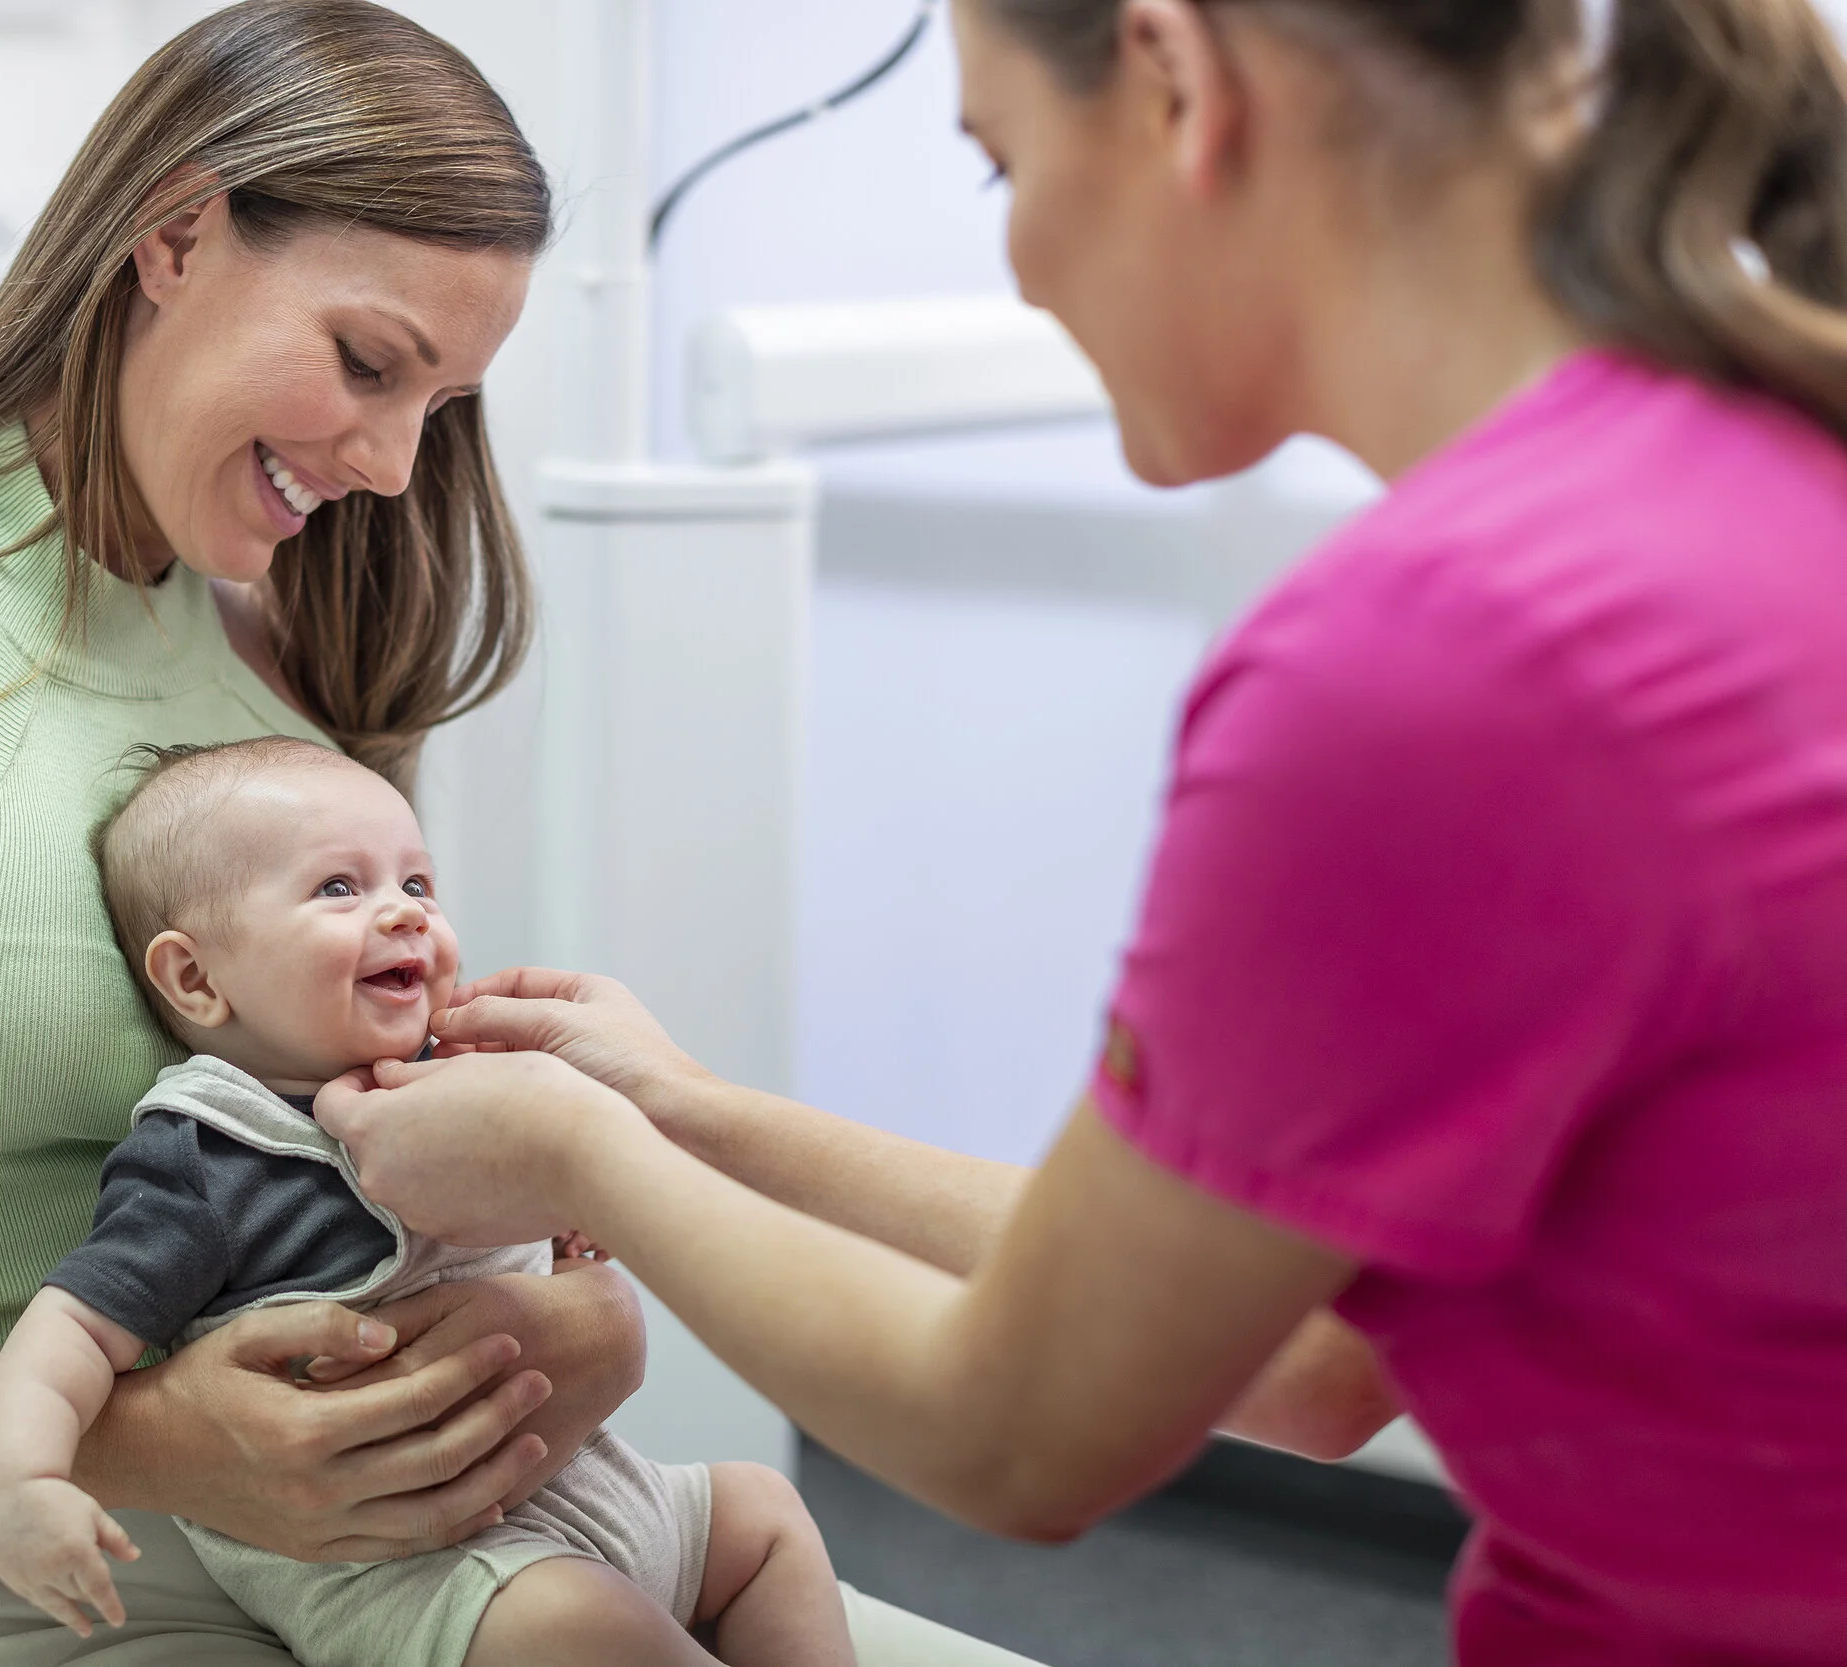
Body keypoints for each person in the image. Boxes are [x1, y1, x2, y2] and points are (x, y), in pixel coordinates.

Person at [314, 1, 1847, 1663]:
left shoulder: (1440, 660)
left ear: (1176, 81)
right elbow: (1317, 1357)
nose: (1024, 267)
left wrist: (573, 1150)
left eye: (1003, 164)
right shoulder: (1745, 468)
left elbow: (1021, 1430)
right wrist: (688, 1111)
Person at [0, 2, 1017, 1660]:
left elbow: (383, 1148)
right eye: (369, 363)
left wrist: (575, 1328)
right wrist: (149, 1444)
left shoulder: (296, 662)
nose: (386, 461)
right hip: (19, 1568)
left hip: (397, 1537)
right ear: (175, 234)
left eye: (440, 403)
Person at [0, 738, 849, 1667]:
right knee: (579, 1628)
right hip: (412, 1570)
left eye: (420, 883)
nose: (405, 913)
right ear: (196, 977)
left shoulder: (463, 1086)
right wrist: (24, 1480)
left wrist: (571, 1220)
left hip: (595, 1483)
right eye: (339, 889)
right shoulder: (211, 1154)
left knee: (765, 1513)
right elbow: (70, 1329)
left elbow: (550, 1212)